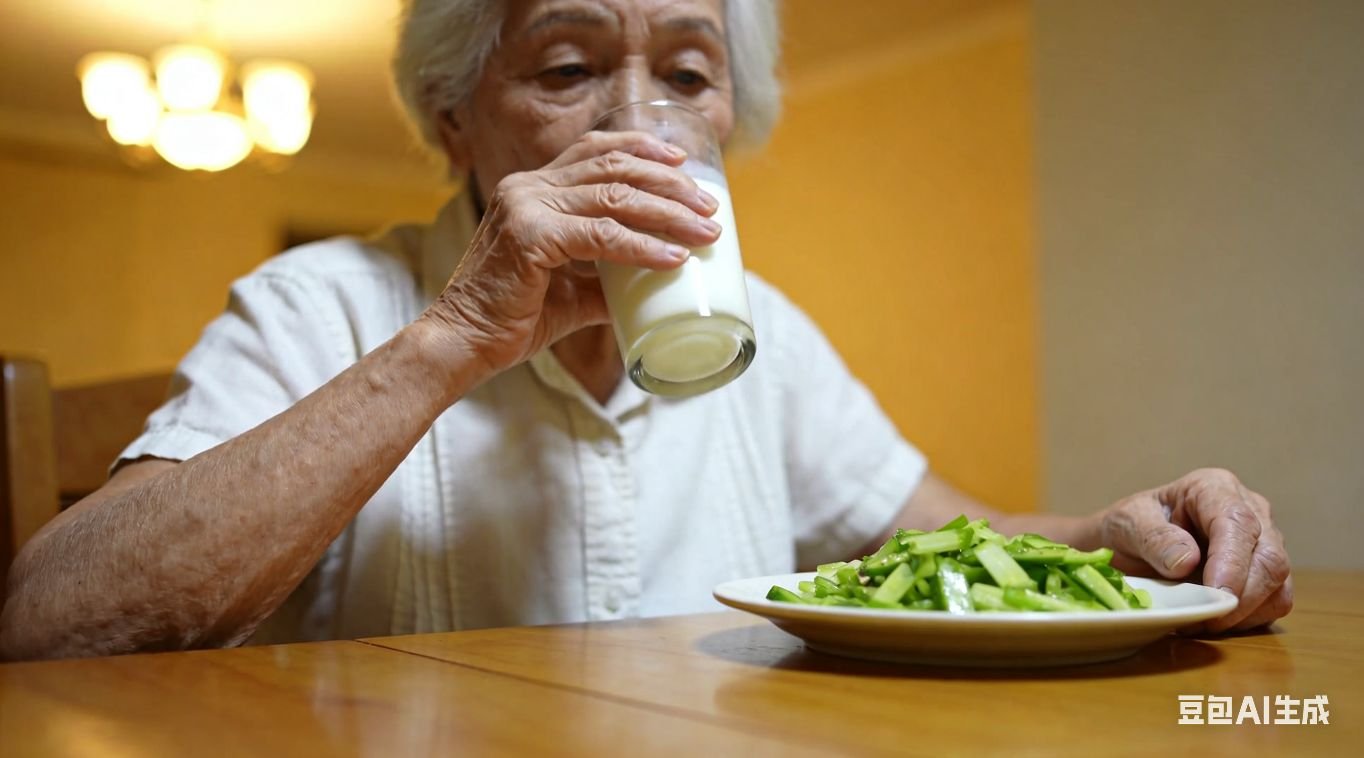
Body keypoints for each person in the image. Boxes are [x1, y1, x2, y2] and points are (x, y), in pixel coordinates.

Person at [0, 0, 1290, 660]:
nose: (641, 125)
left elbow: (956, 538)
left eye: (687, 73)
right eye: (565, 69)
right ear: (454, 120)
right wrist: (453, 335)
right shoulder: (321, 304)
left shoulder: (763, 337)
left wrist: (1120, 542)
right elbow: (46, 623)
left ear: (733, 113)